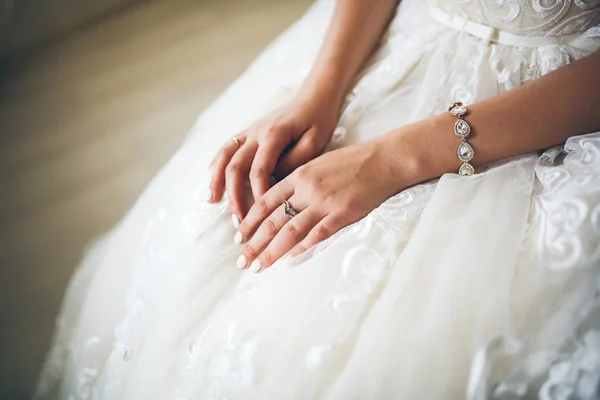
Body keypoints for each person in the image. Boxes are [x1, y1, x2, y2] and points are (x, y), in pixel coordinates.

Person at [35, 0, 600, 399]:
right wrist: (319, 92)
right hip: (398, 36)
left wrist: (395, 159)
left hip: (556, 102)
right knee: (206, 242)